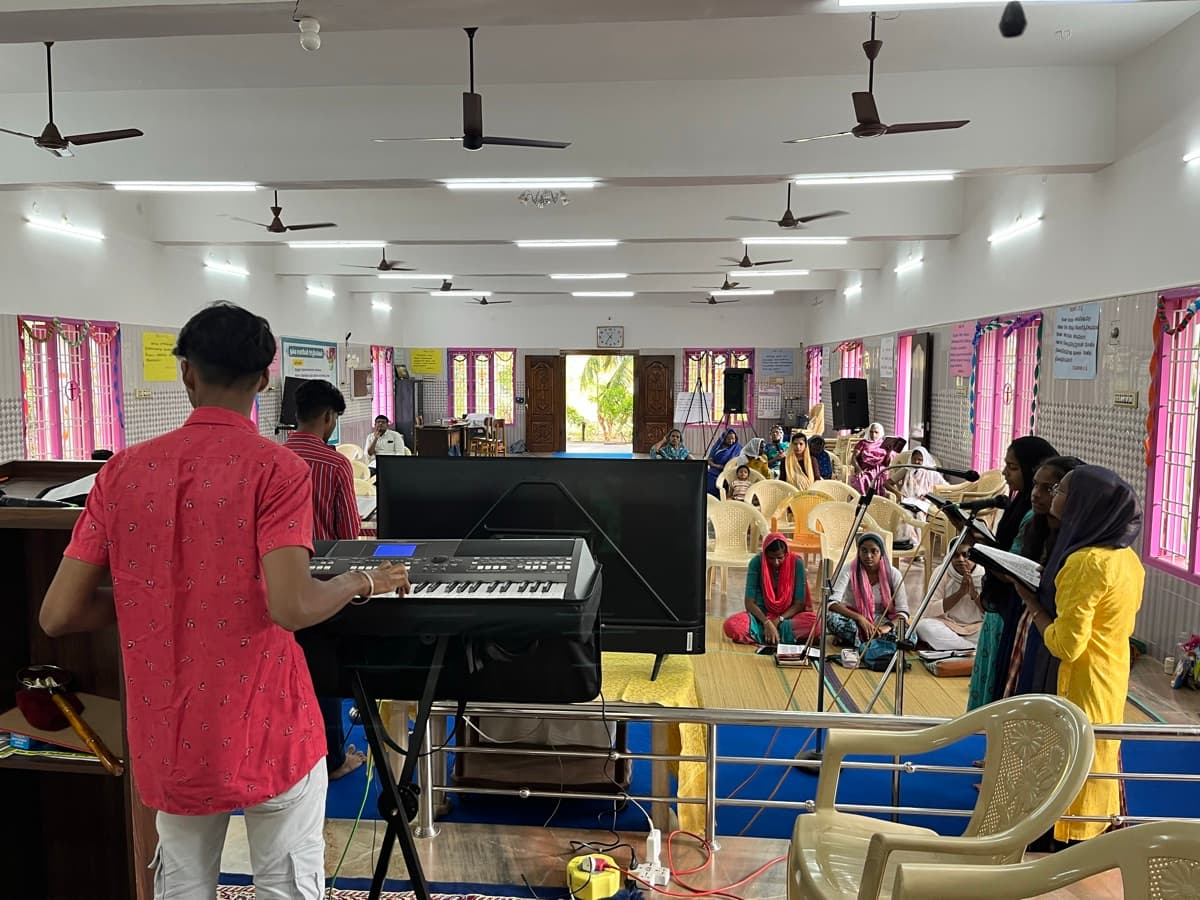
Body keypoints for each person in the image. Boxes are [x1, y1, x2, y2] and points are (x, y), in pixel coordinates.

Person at [37, 302, 410, 899]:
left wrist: (157, 596)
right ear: (264, 379)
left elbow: (58, 614)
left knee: (183, 882)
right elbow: (292, 606)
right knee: (286, 883)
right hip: (268, 724)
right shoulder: (277, 469)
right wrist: (361, 582)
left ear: (186, 372)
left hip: (169, 730)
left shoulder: (122, 472)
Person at [1013, 466, 1144, 845]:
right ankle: (1086, 839)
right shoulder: (1126, 559)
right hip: (1110, 673)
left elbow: (1067, 645)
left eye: (1060, 489)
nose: (1053, 494)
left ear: (1084, 504)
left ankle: (1062, 844)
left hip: (1079, 680)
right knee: (1097, 754)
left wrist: (1033, 605)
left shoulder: (1086, 562)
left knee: (1071, 761)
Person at [284, 379, 368, 782]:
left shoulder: (272, 457)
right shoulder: (334, 464)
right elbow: (348, 537)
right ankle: (333, 759)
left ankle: (289, 752)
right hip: (320, 584)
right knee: (323, 671)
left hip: (274, 583)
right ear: (329, 418)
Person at [966, 435, 1058, 710]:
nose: (1005, 473)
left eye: (1013, 467)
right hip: (1003, 606)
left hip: (1017, 610)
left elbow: (1020, 570)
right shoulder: (1017, 505)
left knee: (1002, 685)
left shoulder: (1036, 518)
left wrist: (986, 553)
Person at [1003, 456, 1085, 698]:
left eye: (1050, 489)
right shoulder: (1036, 525)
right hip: (1029, 623)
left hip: (1052, 636)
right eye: (1035, 485)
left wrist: (1033, 600)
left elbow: (1069, 638)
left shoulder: (1082, 552)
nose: (1035, 494)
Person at [722, 532, 819, 645]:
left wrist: (778, 620)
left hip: (788, 619)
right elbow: (749, 603)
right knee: (731, 625)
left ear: (786, 553)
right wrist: (767, 622)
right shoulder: (756, 563)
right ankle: (781, 635)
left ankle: (766, 635)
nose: (776, 562)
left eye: (780, 558)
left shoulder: (797, 563)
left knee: (818, 624)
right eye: (771, 558)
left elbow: (799, 604)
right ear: (765, 554)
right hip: (760, 619)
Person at [827, 532, 909, 645]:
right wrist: (860, 618)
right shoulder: (849, 569)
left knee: (908, 633)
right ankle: (876, 641)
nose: (868, 556)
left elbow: (903, 612)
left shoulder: (893, 574)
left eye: (874, 551)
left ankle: (860, 639)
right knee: (833, 620)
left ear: (881, 553)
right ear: (859, 552)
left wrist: (886, 627)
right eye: (864, 551)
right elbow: (832, 603)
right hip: (854, 619)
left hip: (882, 620)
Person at [914, 543, 984, 651]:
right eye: (955, 555)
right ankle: (970, 648)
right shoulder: (942, 572)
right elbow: (929, 610)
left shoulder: (984, 574)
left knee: (999, 628)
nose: (961, 559)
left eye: (965, 555)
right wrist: (960, 593)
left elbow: (990, 612)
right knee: (923, 626)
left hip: (978, 628)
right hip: (949, 627)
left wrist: (973, 594)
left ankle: (961, 648)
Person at [889, 446, 946, 515]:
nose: (916, 462)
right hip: (907, 502)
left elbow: (945, 486)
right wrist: (898, 493)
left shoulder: (931, 472)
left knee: (920, 515)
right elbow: (887, 483)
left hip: (923, 504)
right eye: (914, 459)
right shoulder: (906, 469)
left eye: (920, 459)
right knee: (906, 515)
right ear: (911, 458)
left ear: (924, 460)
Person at [849, 423, 896, 495]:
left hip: (880, 471)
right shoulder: (862, 443)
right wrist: (858, 469)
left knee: (882, 480)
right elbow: (854, 458)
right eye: (871, 432)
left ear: (880, 433)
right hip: (865, 469)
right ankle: (863, 499)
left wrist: (889, 452)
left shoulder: (884, 444)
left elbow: (886, 463)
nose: (873, 435)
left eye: (876, 432)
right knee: (860, 480)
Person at [705, 428, 741, 497]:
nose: (731, 441)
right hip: (712, 472)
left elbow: (729, 465)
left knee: (717, 485)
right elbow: (709, 459)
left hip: (725, 473)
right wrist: (713, 464)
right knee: (707, 480)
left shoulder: (737, 448)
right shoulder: (718, 446)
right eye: (728, 439)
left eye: (733, 439)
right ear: (724, 438)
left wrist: (714, 465)